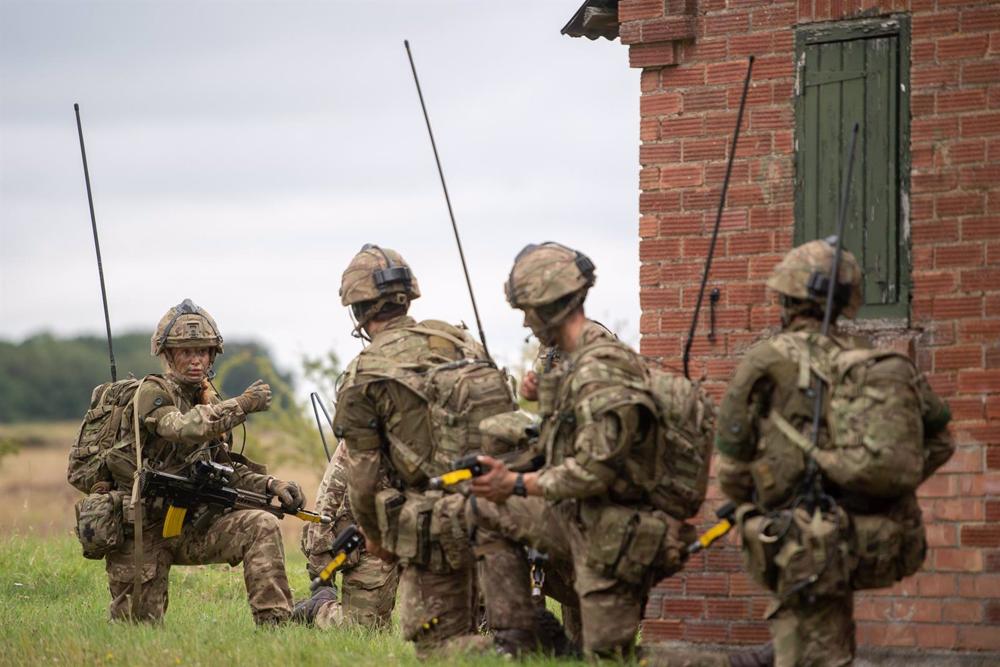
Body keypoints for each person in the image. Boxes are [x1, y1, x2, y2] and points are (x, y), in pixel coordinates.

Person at [715, 239, 954, 667]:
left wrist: (756, 506)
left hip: (797, 539)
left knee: (814, 652)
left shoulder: (765, 361)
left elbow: (731, 466)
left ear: (787, 300)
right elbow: (941, 441)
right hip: (869, 533)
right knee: (827, 638)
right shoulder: (875, 363)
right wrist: (870, 485)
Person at [469, 242, 710, 661]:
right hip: (584, 519)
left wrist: (516, 483)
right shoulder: (575, 362)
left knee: (609, 658)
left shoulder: (600, 368)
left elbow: (591, 471)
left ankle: (743, 662)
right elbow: (572, 433)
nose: (525, 321)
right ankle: (522, 637)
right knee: (479, 507)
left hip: (615, 534)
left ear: (549, 308)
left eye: (528, 309)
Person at [333, 244, 550, 657]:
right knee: (514, 632)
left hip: (432, 524)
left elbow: (361, 477)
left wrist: (376, 536)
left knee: (438, 648)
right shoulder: (458, 340)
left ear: (358, 310)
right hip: (501, 503)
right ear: (407, 295)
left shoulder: (363, 374)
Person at [99, 298, 305, 625]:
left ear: (212, 356)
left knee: (261, 524)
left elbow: (224, 470)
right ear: (168, 355)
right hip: (145, 529)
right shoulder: (152, 393)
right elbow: (182, 429)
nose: (196, 360)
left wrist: (271, 485)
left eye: (203, 352)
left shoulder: (207, 399)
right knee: (136, 630)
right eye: (186, 352)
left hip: (192, 526)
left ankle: (276, 628)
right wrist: (243, 404)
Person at [295, 441, 398, 629]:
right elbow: (330, 496)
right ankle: (317, 609)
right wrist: (321, 552)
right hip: (369, 535)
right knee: (365, 627)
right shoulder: (371, 424)